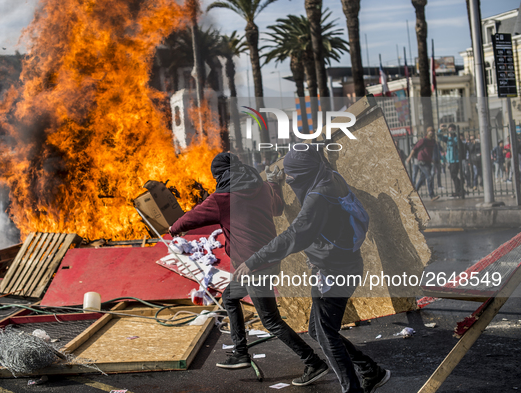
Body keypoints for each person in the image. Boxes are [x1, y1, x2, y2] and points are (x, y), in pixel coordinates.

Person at [234, 146, 390, 393]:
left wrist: (254, 260)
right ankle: (371, 371)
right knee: (319, 330)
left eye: (293, 176)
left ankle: (353, 389)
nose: (291, 180)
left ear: (305, 173)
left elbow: (295, 234)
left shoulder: (319, 196)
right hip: (342, 267)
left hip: (334, 273)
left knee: (326, 333)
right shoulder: (329, 175)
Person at [169, 152, 328, 386]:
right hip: (268, 260)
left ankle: (313, 362)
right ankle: (240, 353)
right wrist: (274, 183)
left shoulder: (222, 198)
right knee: (230, 297)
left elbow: (191, 218)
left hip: (255, 267)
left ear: (219, 175)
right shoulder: (262, 186)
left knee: (271, 321)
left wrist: (174, 228)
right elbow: (277, 208)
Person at [406, 127, 439, 201]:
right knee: (429, 177)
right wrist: (409, 157)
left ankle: (414, 193)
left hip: (428, 161)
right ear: (427, 133)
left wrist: (432, 159)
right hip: (421, 161)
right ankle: (432, 195)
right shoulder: (423, 140)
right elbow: (414, 148)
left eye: (432, 131)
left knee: (422, 178)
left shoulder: (433, 141)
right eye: (430, 131)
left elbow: (430, 151)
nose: (431, 132)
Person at [437, 124, 463, 198]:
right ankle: (460, 189)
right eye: (449, 129)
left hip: (455, 160)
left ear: (454, 130)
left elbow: (453, 143)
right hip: (450, 160)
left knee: (454, 175)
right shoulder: (447, 138)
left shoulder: (456, 138)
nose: (450, 130)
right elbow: (439, 137)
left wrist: (449, 136)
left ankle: (459, 190)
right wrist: (440, 129)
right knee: (453, 176)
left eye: (452, 129)